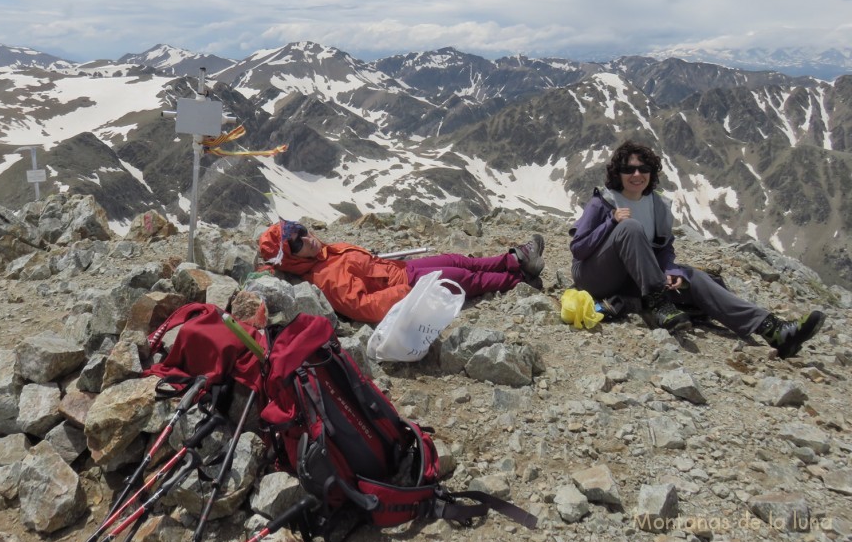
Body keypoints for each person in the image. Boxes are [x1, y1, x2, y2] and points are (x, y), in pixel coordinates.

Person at [569, 139, 825, 359]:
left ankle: (774, 330)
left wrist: (670, 270)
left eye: (643, 168)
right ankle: (658, 306)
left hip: (636, 280)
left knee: (694, 277)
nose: (637, 175)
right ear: (618, 173)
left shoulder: (658, 206)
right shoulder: (603, 201)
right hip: (595, 277)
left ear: (651, 172)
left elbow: (665, 247)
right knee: (630, 228)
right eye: (629, 169)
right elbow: (578, 249)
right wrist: (611, 223)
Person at [257, 219, 545, 324]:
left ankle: (514, 259)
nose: (307, 238)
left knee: (457, 260)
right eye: (296, 243)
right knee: (465, 279)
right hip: (406, 284)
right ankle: (520, 279)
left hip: (401, 269)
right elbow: (364, 308)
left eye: (302, 231)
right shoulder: (325, 277)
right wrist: (407, 292)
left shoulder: (325, 252)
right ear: (291, 260)